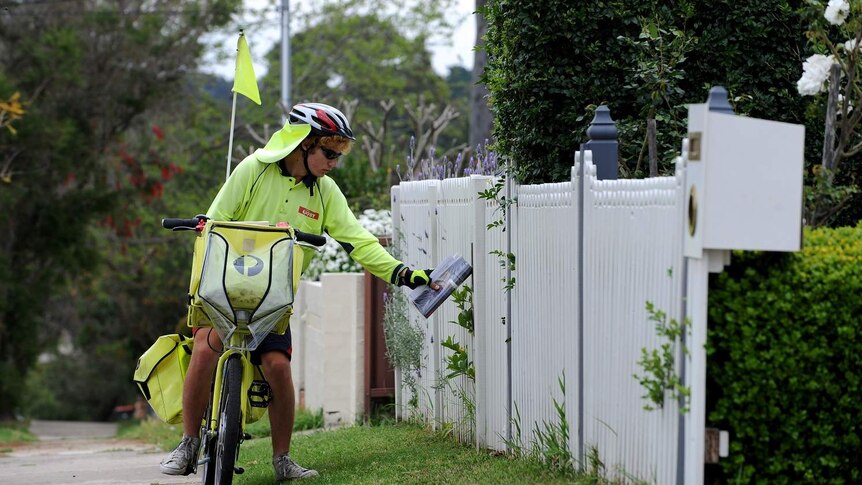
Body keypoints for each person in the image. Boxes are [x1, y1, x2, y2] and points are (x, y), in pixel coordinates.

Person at [159, 102, 437, 481]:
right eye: (329, 152)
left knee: (277, 367)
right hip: (223, 289)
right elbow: (214, 220)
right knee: (207, 347)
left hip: (272, 299)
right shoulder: (253, 170)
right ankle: (188, 442)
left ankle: (282, 459)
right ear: (302, 143)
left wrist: (403, 273)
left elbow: (359, 242)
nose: (334, 162)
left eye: (339, 154)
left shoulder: (325, 192)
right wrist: (202, 225)